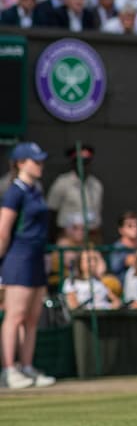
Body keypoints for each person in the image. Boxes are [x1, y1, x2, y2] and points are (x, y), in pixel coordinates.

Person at [0, 143, 57, 388]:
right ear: (20, 163)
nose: (40, 165)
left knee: (32, 318)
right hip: (18, 258)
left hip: (36, 259)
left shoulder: (37, 190)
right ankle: (9, 370)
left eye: (41, 161)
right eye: (35, 161)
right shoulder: (14, 192)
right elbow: (3, 230)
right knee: (15, 315)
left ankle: (27, 367)